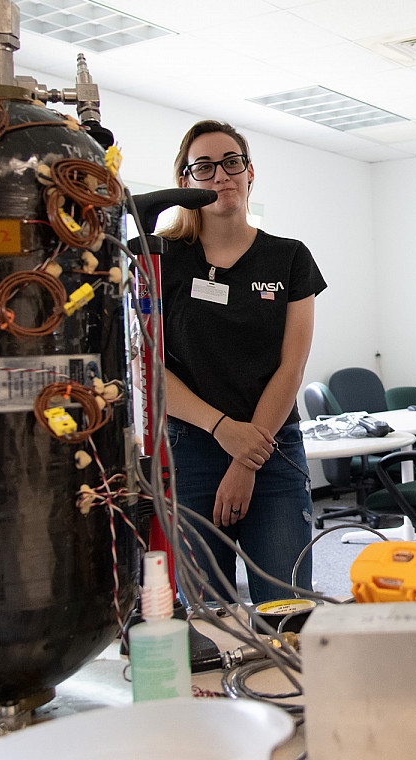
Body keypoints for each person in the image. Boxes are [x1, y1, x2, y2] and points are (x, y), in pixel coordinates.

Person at [157, 120, 325, 606]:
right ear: (185, 182)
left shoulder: (290, 259)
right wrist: (221, 429)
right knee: (206, 615)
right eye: (203, 167)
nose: (220, 176)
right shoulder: (162, 259)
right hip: (190, 447)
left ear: (250, 172)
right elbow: (149, 369)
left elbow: (290, 369)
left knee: (286, 609)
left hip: (271, 447)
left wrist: (246, 458)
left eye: (231, 163)